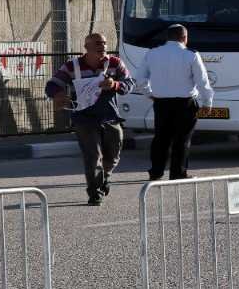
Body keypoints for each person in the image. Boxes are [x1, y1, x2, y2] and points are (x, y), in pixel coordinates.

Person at [45, 33, 134, 206]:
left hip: (110, 117)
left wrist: (115, 85)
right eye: (98, 44)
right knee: (93, 156)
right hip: (84, 118)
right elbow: (52, 84)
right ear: (86, 47)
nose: (103, 46)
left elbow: (129, 83)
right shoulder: (72, 66)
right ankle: (95, 193)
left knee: (113, 156)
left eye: (105, 43)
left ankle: (104, 178)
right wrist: (58, 94)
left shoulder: (115, 63)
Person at [137, 24, 213, 181]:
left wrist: (150, 94)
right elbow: (202, 81)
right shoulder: (191, 54)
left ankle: (156, 172)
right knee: (182, 139)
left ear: (167, 37)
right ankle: (177, 172)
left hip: (161, 103)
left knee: (161, 137)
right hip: (185, 103)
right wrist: (207, 102)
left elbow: (140, 79)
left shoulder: (152, 53)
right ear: (184, 37)